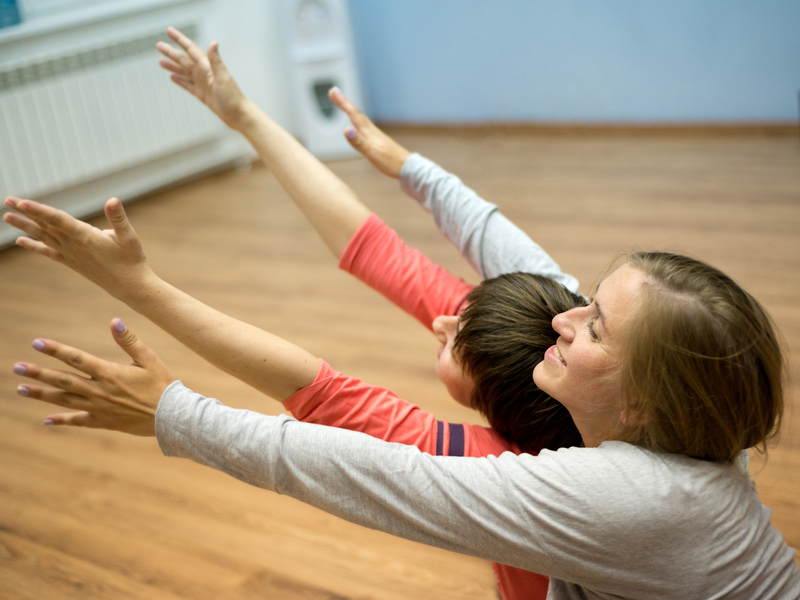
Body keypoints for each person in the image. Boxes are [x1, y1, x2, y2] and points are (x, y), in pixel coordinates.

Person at [7, 31, 800, 600]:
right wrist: (389, 161)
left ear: (639, 401)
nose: (441, 317)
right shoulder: (593, 371)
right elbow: (409, 249)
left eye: (595, 326)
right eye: (584, 303)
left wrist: (168, 395)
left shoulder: (590, 490)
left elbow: (329, 442)